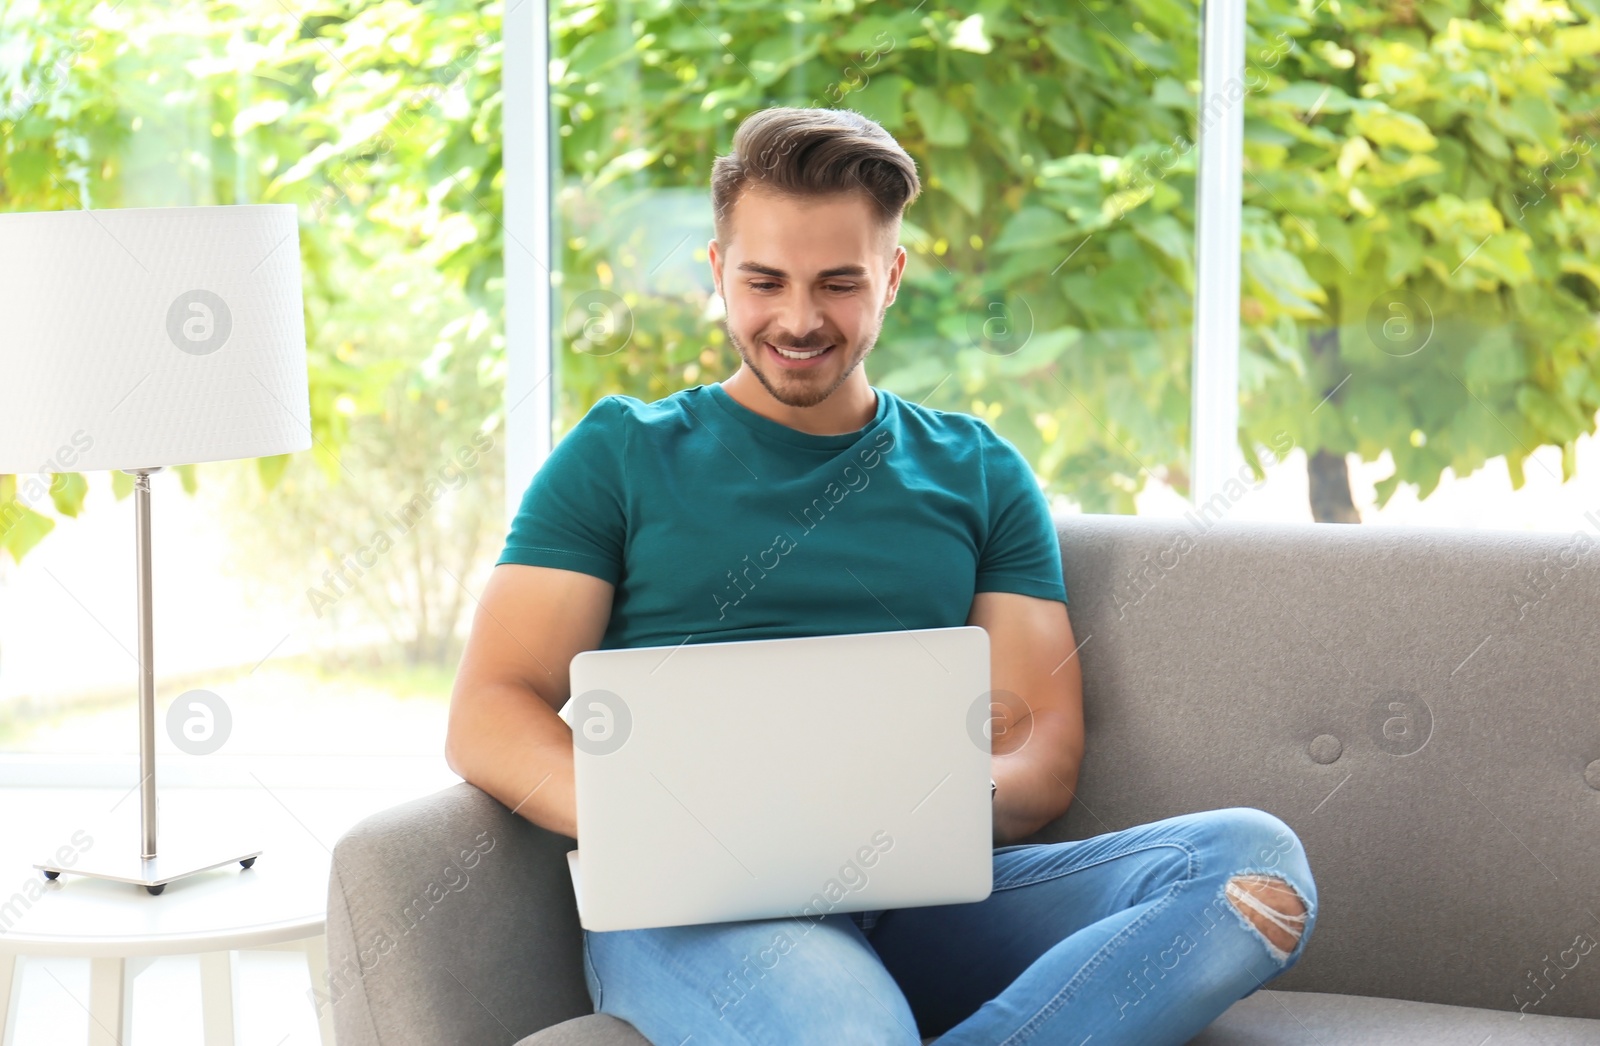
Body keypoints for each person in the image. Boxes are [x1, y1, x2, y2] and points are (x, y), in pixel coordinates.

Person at [445, 106, 1316, 1046]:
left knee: (1249, 869)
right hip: (697, 913)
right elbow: (490, 707)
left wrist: (917, 808)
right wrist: (679, 833)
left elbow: (1037, 742)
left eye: (839, 283)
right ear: (716, 273)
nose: (800, 318)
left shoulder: (977, 472)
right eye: (764, 280)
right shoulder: (620, 454)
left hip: (921, 895)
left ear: (891, 278)